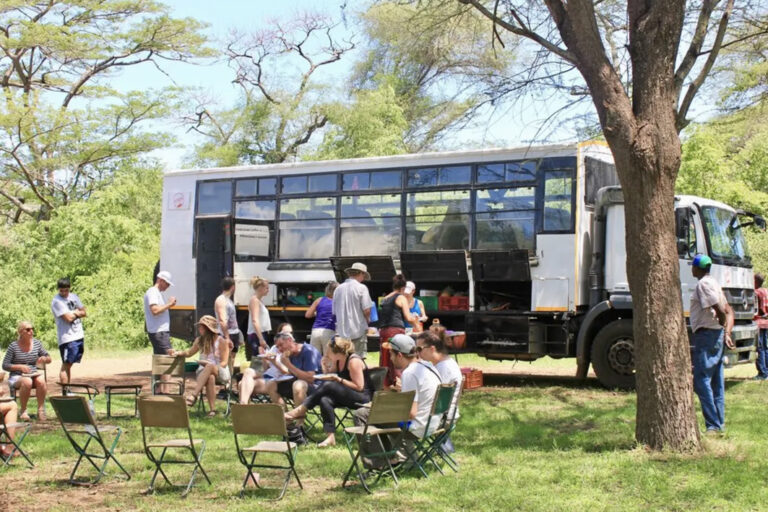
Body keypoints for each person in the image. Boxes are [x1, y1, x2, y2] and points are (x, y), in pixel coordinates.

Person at [285, 337, 374, 447]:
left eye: (328, 350)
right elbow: (328, 375)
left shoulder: (353, 361)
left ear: (336, 352)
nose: (326, 352)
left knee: (329, 385)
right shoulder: (338, 361)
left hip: (363, 398)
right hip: (348, 395)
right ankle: (330, 437)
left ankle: (301, 409)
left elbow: (359, 386)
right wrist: (324, 365)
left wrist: (339, 380)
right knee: (325, 399)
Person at [690, 254, 734, 434]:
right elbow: (730, 309)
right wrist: (727, 332)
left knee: (701, 380)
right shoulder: (714, 283)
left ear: (697, 268)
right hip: (715, 335)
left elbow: (722, 309)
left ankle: (713, 425)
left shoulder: (704, 284)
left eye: (693, 266)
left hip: (707, 335)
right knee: (716, 381)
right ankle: (719, 424)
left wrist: (722, 324)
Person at [174, 315, 231, 417]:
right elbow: (189, 353)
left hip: (221, 371)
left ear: (208, 329)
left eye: (201, 327)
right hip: (204, 372)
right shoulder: (199, 340)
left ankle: (193, 395)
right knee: (210, 377)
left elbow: (224, 362)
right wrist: (178, 352)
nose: (199, 329)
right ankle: (212, 410)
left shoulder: (221, 341)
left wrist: (211, 365)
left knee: (209, 367)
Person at [415, 330, 462, 452]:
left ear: (432, 349)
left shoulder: (443, 368)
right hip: (447, 415)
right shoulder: (445, 363)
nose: (417, 353)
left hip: (440, 418)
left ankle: (402, 458)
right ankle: (445, 448)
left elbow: (433, 397)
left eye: (419, 349)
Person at [2, 321, 52, 421]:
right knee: (27, 381)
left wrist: (44, 359)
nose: (31, 331)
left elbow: (49, 358)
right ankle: (23, 411)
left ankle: (41, 410)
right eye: (28, 329)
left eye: (32, 329)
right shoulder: (13, 346)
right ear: (21, 332)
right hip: (17, 376)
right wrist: (20, 367)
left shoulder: (37, 343)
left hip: (33, 373)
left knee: (41, 380)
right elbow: (5, 365)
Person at [270, 332, 323, 422]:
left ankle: (299, 425)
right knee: (271, 384)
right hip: (299, 386)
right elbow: (292, 373)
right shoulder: (290, 353)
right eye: (277, 347)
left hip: (317, 387)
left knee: (298, 385)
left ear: (290, 340)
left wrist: (288, 364)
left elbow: (310, 378)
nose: (280, 349)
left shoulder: (308, 351)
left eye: (281, 345)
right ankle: (287, 421)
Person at [378, 274, 418, 388]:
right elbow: (408, 317)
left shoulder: (386, 298)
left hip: (384, 331)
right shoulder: (401, 297)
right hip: (395, 331)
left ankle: (386, 385)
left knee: (386, 358)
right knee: (398, 358)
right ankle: (400, 383)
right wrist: (417, 325)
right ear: (403, 288)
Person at [239, 322, 293, 404]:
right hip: (269, 375)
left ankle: (243, 408)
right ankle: (244, 406)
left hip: (279, 380)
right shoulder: (275, 348)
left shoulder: (291, 350)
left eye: (290, 332)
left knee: (241, 384)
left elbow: (287, 371)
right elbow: (266, 369)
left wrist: (274, 362)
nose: (288, 335)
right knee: (248, 371)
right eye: (285, 333)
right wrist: (264, 358)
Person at [333, 262, 374, 357]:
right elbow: (367, 310)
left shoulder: (338, 289)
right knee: (357, 358)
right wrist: (367, 321)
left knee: (343, 359)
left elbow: (334, 312)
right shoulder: (361, 288)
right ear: (361, 273)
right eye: (364, 275)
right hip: (357, 330)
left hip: (342, 332)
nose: (363, 279)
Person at [51, 277, 86, 385]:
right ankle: (65, 392)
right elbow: (68, 318)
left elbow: (84, 312)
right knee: (66, 364)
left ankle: (68, 389)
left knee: (70, 364)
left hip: (78, 335)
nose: (64, 293)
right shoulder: (57, 301)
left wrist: (74, 313)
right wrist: (76, 312)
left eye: (66, 290)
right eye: (61, 290)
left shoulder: (74, 297)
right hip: (67, 338)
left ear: (69, 288)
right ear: (58, 289)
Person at [143, 271, 176, 356]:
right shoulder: (153, 292)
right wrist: (169, 304)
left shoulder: (157, 293)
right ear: (161, 280)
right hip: (159, 332)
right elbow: (155, 310)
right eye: (167, 283)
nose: (168, 286)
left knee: (160, 359)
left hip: (160, 332)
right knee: (168, 358)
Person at [306, 281, 338, 356]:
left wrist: (317, 314)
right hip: (329, 331)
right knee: (328, 357)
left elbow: (308, 315)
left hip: (315, 331)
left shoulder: (319, 300)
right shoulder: (337, 302)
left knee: (314, 358)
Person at [215, 277, 242, 354]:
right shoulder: (221, 300)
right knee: (225, 357)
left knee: (232, 358)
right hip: (226, 334)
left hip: (233, 333)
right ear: (233, 287)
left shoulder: (229, 300)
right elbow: (222, 320)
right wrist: (227, 337)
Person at [246, 276, 272, 360]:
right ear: (260, 288)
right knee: (258, 361)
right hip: (256, 335)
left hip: (260, 334)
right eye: (267, 288)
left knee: (261, 361)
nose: (268, 290)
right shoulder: (255, 301)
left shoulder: (259, 301)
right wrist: (261, 339)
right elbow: (255, 320)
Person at [754, 273, 768, 380]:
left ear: (756, 281)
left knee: (759, 348)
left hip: (758, 323)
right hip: (766, 323)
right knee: (765, 347)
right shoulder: (766, 291)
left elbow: (754, 310)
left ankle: (762, 373)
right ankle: (766, 370)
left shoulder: (756, 292)